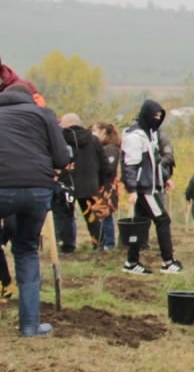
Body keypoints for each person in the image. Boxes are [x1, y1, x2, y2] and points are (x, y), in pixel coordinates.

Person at [0, 83, 70, 336]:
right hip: (37, 189)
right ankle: (30, 326)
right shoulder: (43, 115)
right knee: (27, 249)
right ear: (31, 98)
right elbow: (62, 158)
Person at [121, 100, 182, 275]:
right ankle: (168, 262)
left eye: (159, 116)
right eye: (154, 116)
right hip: (144, 188)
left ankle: (131, 262)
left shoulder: (149, 135)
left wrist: (165, 178)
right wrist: (132, 189)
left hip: (150, 184)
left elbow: (154, 163)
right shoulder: (135, 137)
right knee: (163, 220)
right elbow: (130, 165)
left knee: (141, 224)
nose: (157, 119)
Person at [53, 112, 112, 253]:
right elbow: (104, 164)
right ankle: (98, 244)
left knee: (65, 216)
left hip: (67, 183)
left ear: (65, 124)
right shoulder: (93, 140)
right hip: (89, 184)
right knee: (92, 216)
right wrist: (102, 182)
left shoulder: (60, 139)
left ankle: (67, 246)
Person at [92, 122, 122, 251]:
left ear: (103, 132)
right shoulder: (103, 148)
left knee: (106, 215)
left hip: (108, 187)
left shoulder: (111, 149)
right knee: (101, 214)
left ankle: (109, 243)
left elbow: (110, 168)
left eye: (96, 131)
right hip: (103, 186)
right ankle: (103, 241)